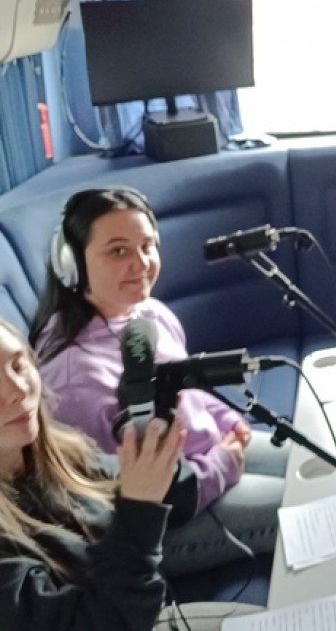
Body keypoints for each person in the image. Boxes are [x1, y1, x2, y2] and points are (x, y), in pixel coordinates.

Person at [29, 187, 289, 576]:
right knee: (308, 509)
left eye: (147, 246)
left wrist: (226, 420)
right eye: (119, 251)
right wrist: (223, 464)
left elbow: (187, 385)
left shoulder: (147, 312)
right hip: (166, 521)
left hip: (208, 455)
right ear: (72, 264)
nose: (141, 263)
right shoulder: (73, 380)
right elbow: (141, 496)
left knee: (325, 469)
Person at [0, 317, 261, 631]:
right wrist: (139, 509)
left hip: (135, 596)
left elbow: (152, 491)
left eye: (18, 365)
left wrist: (160, 457)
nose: (18, 390)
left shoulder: (58, 452)